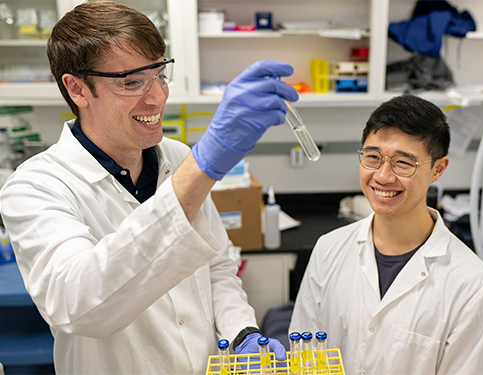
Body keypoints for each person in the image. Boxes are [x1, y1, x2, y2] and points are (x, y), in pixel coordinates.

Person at [0, 2, 298, 374]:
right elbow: (80, 306)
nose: (157, 97)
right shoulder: (37, 185)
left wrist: (242, 332)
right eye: (132, 82)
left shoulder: (178, 156)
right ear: (77, 89)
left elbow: (218, 267)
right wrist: (201, 169)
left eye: (160, 74)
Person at [290, 95, 483, 374]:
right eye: (373, 157)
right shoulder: (329, 248)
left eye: (403, 163)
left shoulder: (470, 282)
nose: (383, 176)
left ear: (438, 169)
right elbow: (303, 356)